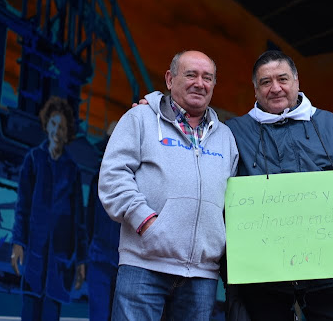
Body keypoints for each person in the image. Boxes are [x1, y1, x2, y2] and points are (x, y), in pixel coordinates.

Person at [99, 50, 239, 321]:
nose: (200, 83)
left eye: (207, 77)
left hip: (201, 275)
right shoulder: (139, 119)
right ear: (169, 78)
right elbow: (113, 175)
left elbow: (231, 202)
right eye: (191, 74)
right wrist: (146, 223)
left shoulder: (226, 138)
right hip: (143, 265)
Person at [225, 50, 333, 321]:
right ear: (255, 89)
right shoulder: (233, 131)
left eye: (283, 79)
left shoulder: (330, 124)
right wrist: (153, 107)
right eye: (266, 82)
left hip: (329, 269)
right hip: (263, 273)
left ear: (297, 81)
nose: (275, 88)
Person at [11, 96, 87, 321]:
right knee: (29, 309)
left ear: (67, 133)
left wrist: (81, 261)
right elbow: (22, 206)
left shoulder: (73, 170)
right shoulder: (33, 160)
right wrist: (18, 243)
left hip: (59, 259)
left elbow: (79, 222)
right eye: (54, 124)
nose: (57, 130)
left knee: (51, 313)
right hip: (34, 251)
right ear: (46, 125)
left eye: (62, 127)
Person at [86, 121, 120, 321]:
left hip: (126, 265)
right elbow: (88, 222)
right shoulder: (97, 180)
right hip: (99, 259)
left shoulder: (140, 180)